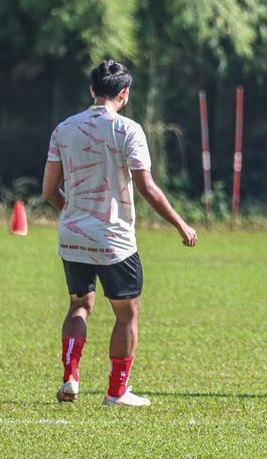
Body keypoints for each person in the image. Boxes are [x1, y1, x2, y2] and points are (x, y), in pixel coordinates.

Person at [42, 60, 197, 407]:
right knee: (127, 313)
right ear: (124, 93)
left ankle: (71, 376)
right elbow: (148, 188)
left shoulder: (63, 129)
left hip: (72, 234)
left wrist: (72, 212)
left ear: (92, 90)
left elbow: (49, 190)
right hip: (114, 238)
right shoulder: (128, 130)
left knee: (79, 305)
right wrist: (180, 224)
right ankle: (116, 392)